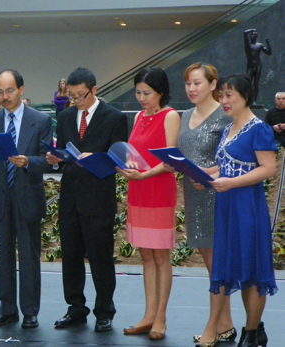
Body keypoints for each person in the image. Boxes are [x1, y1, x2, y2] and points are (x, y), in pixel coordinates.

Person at [195, 74, 277, 347]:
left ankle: (251, 333)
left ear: (246, 96)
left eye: (230, 95)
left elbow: (267, 169)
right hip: (227, 207)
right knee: (237, 267)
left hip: (247, 207)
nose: (224, 100)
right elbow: (225, 166)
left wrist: (230, 183)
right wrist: (204, 175)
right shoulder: (229, 128)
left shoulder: (259, 129)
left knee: (252, 270)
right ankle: (255, 329)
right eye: (221, 95)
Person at [46, 67, 128, 333]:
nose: (76, 101)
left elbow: (120, 158)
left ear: (94, 90)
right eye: (72, 96)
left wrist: (94, 156)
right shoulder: (66, 115)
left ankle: (104, 310)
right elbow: (64, 151)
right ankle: (76, 309)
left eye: (81, 95)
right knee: (70, 257)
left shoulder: (114, 117)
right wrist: (56, 159)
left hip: (98, 197)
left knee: (101, 257)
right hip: (70, 196)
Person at [0, 69, 52, 329]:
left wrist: (28, 161)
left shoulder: (41, 120)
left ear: (21, 89)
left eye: (9, 90)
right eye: (0, 91)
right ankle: (7, 308)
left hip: (28, 196)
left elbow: (48, 159)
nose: (4, 96)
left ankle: (30, 310)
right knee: (3, 255)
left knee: (29, 257)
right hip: (1, 196)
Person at [117, 67, 180, 341]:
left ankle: (161, 317)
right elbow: (135, 152)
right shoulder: (141, 116)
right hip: (138, 190)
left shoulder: (171, 115)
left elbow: (170, 161)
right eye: (138, 92)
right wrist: (127, 165)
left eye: (147, 93)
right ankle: (148, 314)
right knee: (145, 254)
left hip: (158, 191)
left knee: (160, 255)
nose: (141, 98)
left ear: (161, 92)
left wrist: (143, 173)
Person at [174, 63, 234, 346]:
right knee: (212, 266)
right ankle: (226, 324)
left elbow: (232, 159)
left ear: (213, 84)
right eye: (188, 83)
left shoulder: (224, 116)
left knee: (218, 265)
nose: (191, 89)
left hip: (218, 195)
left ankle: (212, 327)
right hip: (193, 195)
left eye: (197, 83)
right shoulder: (185, 115)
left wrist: (209, 176)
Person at [243, 29, 271, 102]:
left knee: (256, 83)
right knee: (248, 83)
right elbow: (245, 33)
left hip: (258, 65)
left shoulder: (259, 45)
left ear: (256, 36)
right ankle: (249, 99)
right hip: (250, 65)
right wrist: (252, 30)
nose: (251, 36)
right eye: (251, 35)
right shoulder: (248, 44)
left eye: (253, 34)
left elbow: (269, 53)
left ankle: (254, 100)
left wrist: (268, 43)